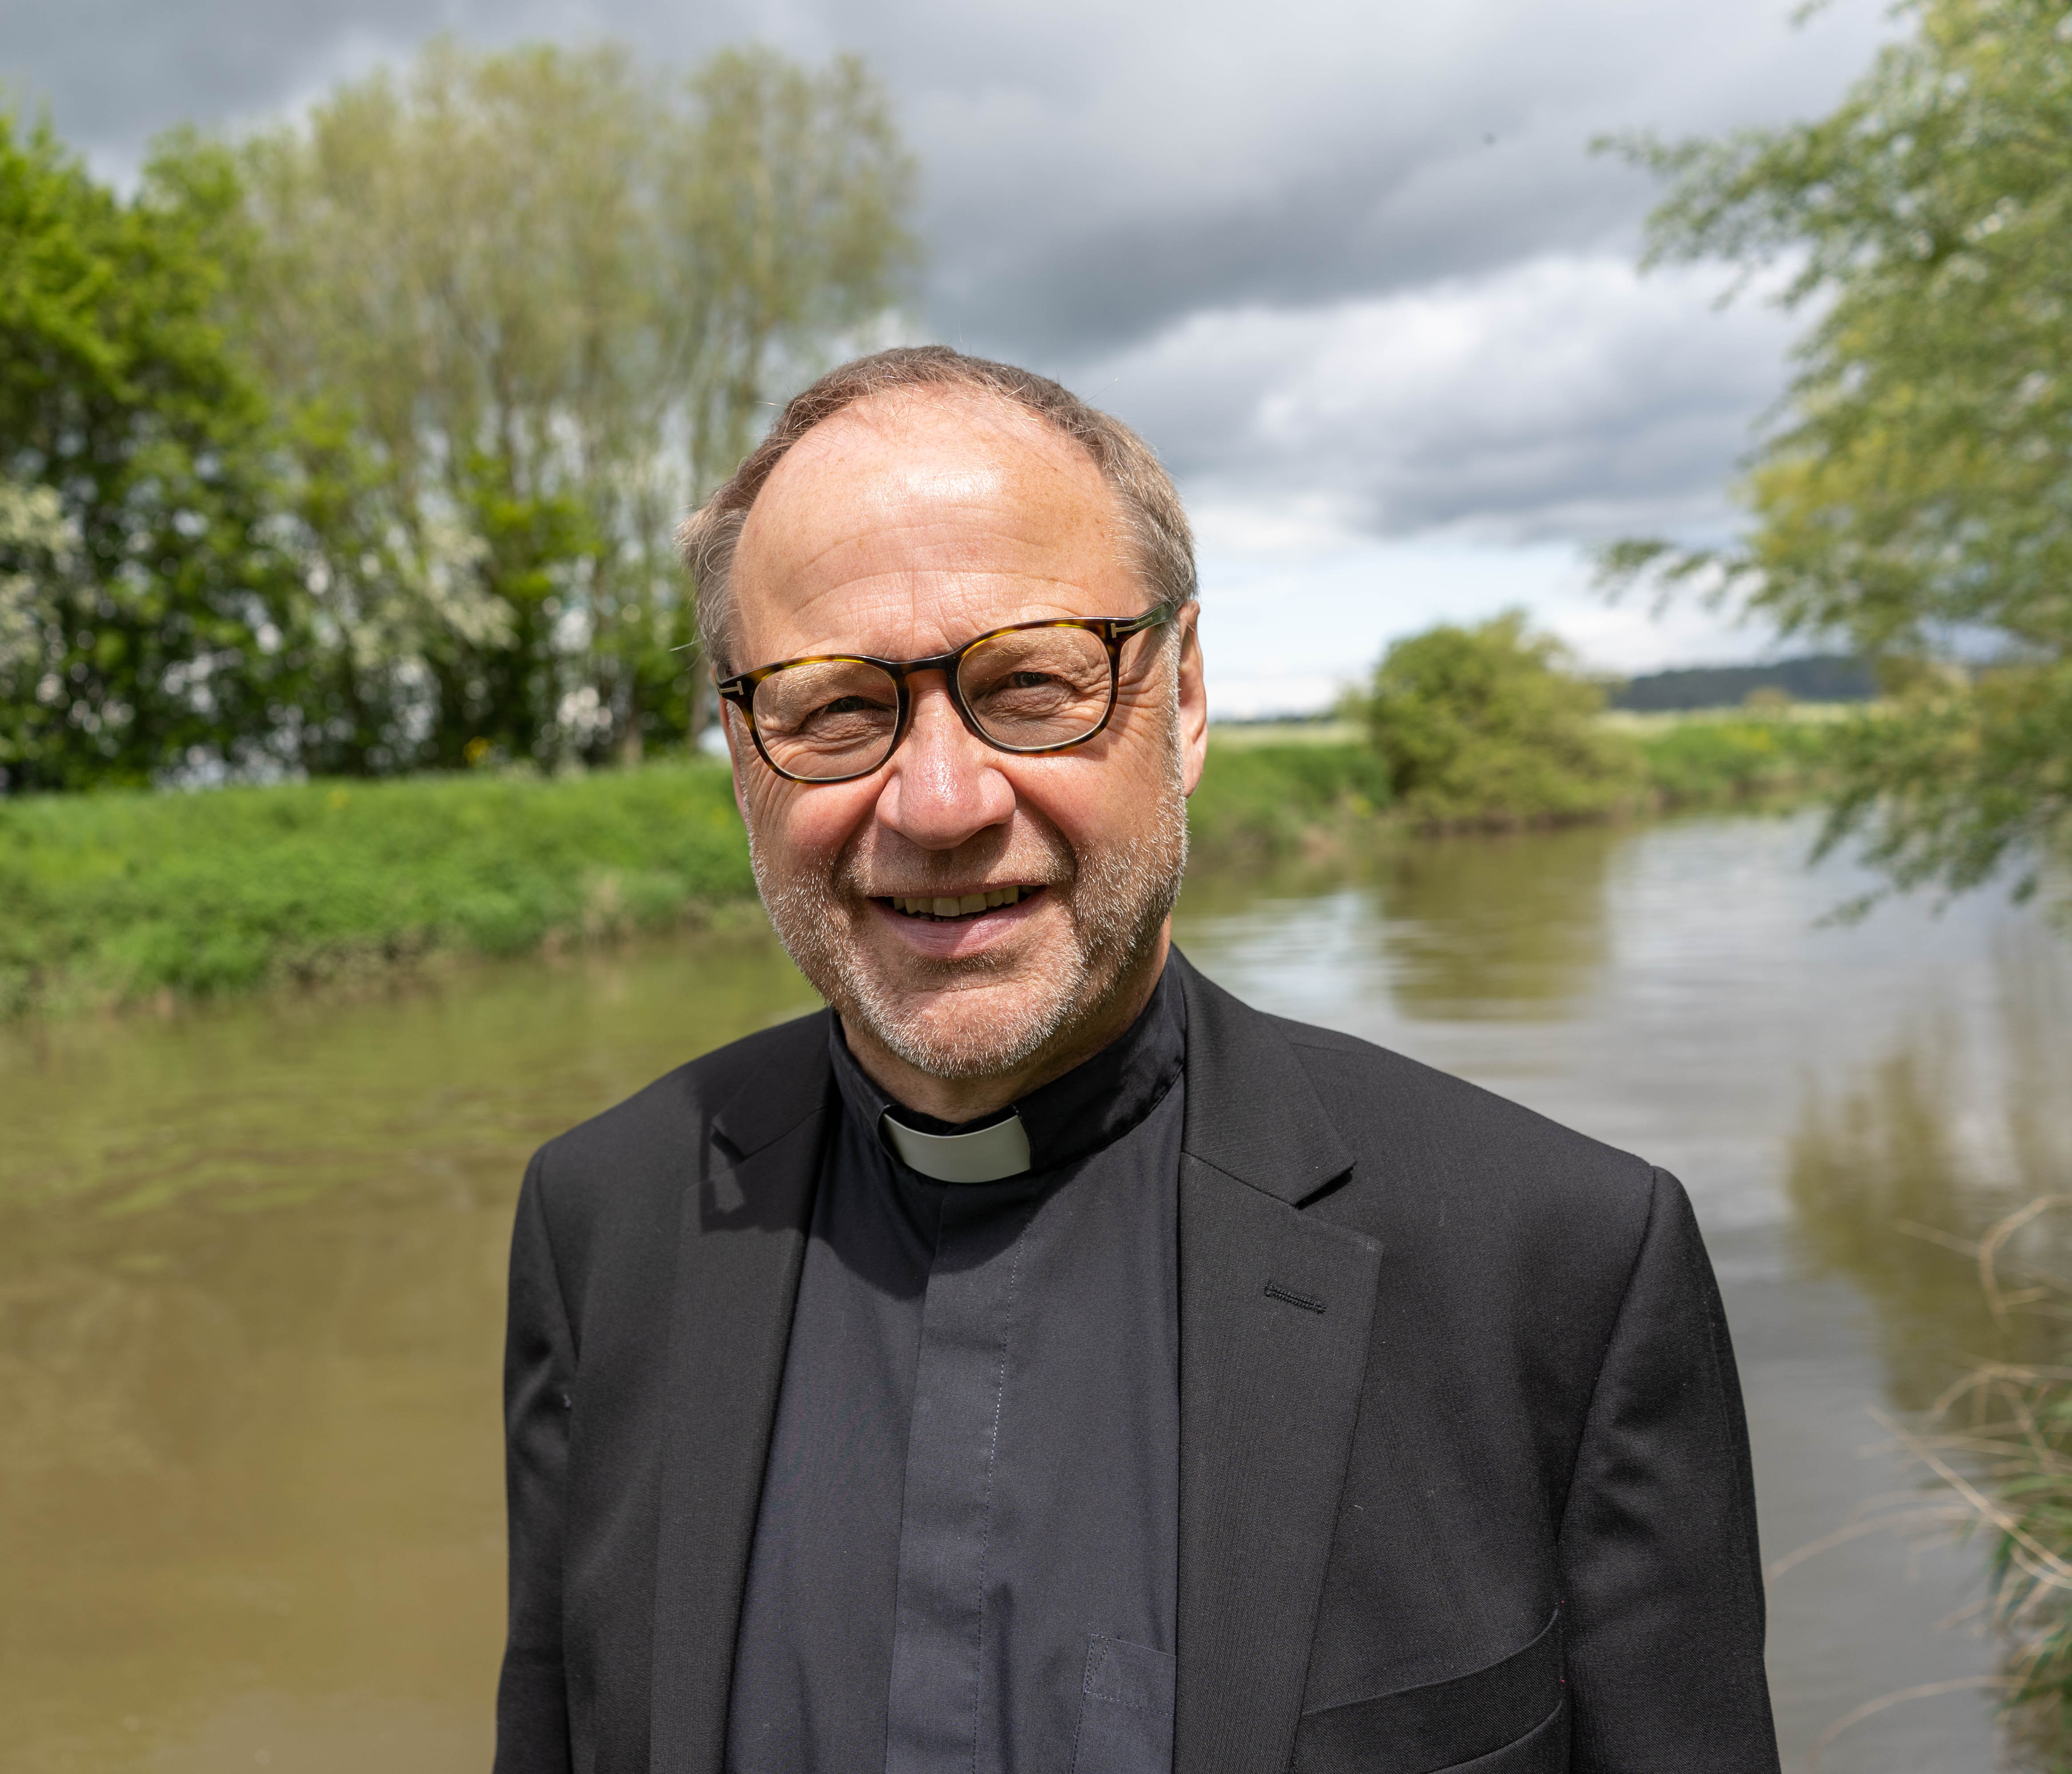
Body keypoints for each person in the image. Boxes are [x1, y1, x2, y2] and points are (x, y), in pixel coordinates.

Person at [493, 346, 1778, 1774]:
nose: (937, 802)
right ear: (746, 756)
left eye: (1033, 684)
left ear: (1185, 706)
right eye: (834, 706)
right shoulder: (601, 1225)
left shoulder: (1556, 1267)